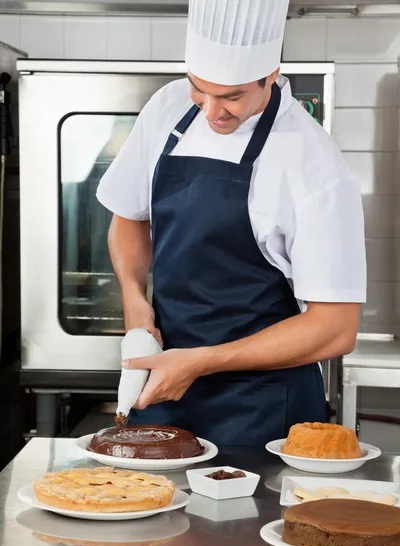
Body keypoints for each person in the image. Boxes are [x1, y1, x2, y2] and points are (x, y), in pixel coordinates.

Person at [97, 0, 366, 446]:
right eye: (199, 89)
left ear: (272, 73)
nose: (212, 111)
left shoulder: (313, 164)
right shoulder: (166, 108)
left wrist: (201, 361)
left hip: (261, 405)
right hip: (164, 382)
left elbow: (336, 328)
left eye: (232, 96)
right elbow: (128, 216)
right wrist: (133, 298)